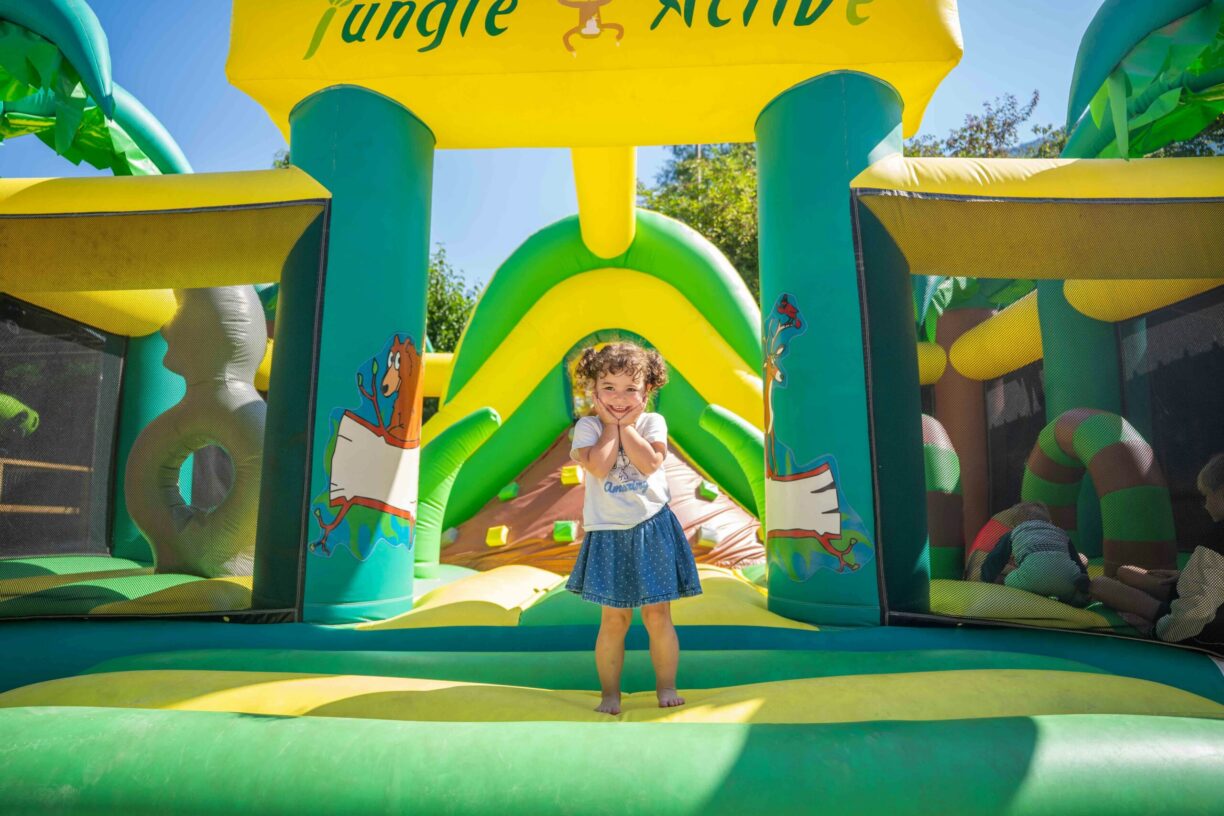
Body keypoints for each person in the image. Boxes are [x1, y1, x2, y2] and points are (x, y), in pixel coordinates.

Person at [566, 342, 703, 715]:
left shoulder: (652, 423)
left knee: (658, 616)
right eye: (609, 387)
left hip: (652, 527)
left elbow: (649, 463)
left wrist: (626, 425)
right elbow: (598, 466)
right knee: (614, 619)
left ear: (647, 391)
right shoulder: (588, 427)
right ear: (593, 390)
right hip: (608, 532)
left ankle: (667, 686)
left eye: (631, 389)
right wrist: (611, 426)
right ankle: (610, 694)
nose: (619, 397)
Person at [1091, 453, 1224, 650]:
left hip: (1201, 627)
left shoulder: (1217, 538)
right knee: (1125, 571)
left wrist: (1158, 630)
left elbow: (1198, 611)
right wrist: (1186, 576)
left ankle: (1152, 610)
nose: (1205, 505)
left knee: (1099, 585)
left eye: (1207, 496)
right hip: (1207, 603)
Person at [980, 501, 1092, 607]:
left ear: (1016, 525)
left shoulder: (1014, 533)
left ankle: (1024, 592)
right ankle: (1077, 597)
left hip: (1031, 578)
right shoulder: (1061, 533)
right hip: (1066, 581)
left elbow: (995, 559)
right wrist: (1084, 580)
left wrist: (986, 580)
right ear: (1049, 522)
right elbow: (1076, 560)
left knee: (1007, 579)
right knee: (1071, 584)